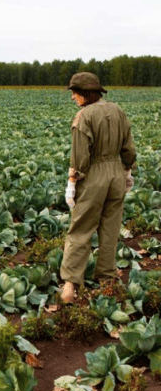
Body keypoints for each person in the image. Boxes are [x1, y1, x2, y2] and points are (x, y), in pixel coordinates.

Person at [60, 72, 136, 303]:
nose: (73, 97)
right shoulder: (117, 110)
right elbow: (129, 149)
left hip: (94, 177)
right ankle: (107, 280)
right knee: (111, 227)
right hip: (116, 175)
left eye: (75, 93)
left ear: (85, 94)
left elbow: (80, 158)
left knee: (81, 228)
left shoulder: (84, 117)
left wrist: (72, 183)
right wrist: (127, 171)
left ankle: (70, 286)